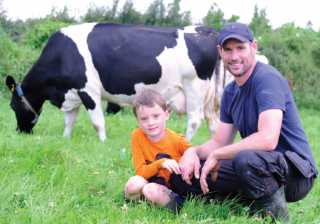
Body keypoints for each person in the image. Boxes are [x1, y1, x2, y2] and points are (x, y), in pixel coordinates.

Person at [169, 22, 318, 223]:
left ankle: (277, 219)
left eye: (241, 48)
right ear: (220, 52)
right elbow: (220, 142)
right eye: (228, 50)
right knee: (184, 173)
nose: (235, 56)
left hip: (295, 173)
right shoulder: (230, 92)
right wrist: (192, 152)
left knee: (245, 159)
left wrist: (218, 155)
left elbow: (267, 140)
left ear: (254, 47)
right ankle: (244, 208)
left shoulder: (266, 79)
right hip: (258, 167)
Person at [124, 88, 193, 212]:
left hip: (171, 190)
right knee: (133, 184)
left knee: (149, 190)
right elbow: (140, 172)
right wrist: (161, 163)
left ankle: (174, 210)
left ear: (166, 115)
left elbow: (193, 154)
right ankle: (131, 209)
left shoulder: (177, 140)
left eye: (156, 116)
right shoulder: (137, 136)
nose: (150, 123)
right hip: (147, 183)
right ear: (138, 121)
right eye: (144, 119)